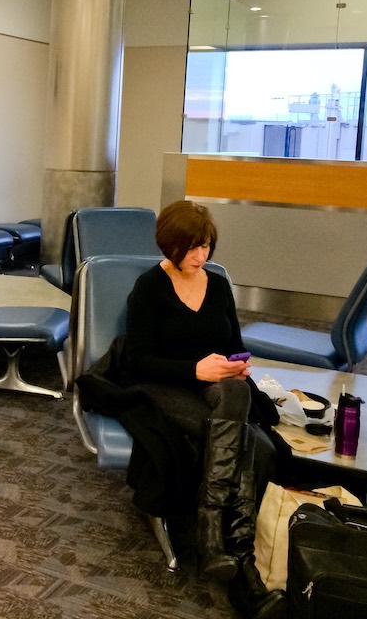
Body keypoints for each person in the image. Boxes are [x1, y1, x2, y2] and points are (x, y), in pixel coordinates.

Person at [118, 201, 286, 619]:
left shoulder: (218, 284)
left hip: (217, 388)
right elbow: (135, 361)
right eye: (192, 248)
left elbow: (232, 342)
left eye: (206, 246)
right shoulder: (149, 288)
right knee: (257, 449)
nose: (201, 257)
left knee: (235, 396)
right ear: (170, 245)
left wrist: (235, 364)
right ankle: (243, 576)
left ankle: (213, 537)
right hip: (166, 386)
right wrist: (195, 369)